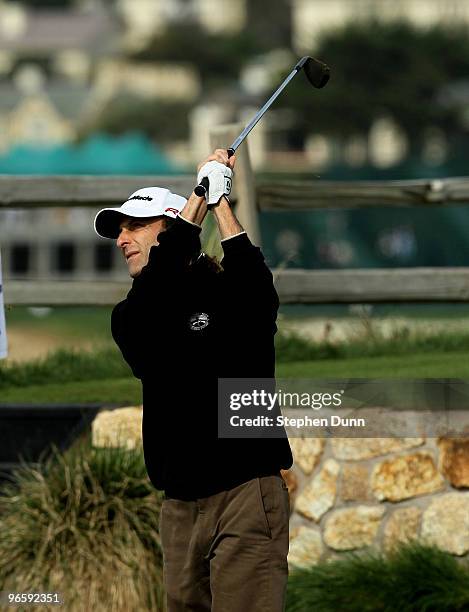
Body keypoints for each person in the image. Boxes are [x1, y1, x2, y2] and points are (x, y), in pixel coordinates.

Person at [93, 149, 293, 612]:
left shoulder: (228, 292)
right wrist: (195, 208)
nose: (121, 239)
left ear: (168, 228)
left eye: (134, 226)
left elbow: (260, 292)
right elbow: (157, 298)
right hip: (180, 506)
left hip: (247, 490)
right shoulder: (132, 315)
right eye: (118, 230)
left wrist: (218, 201)